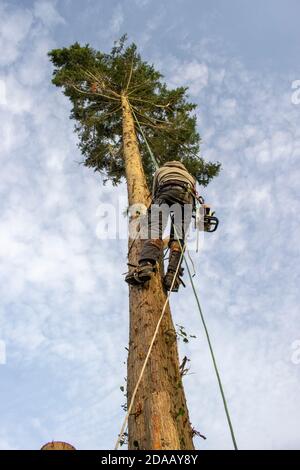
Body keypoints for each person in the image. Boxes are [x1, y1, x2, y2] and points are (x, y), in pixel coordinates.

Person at [125, 161, 196, 292]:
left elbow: (155, 192)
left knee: (155, 228)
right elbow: (195, 194)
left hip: (165, 192)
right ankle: (172, 275)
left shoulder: (160, 171)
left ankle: (146, 265)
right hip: (187, 197)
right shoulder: (190, 176)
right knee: (178, 237)